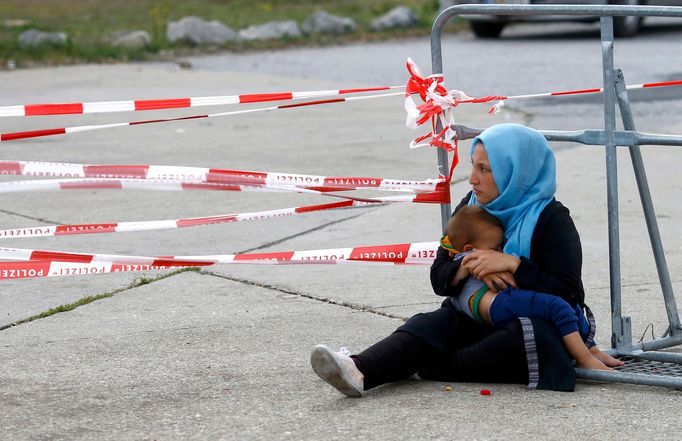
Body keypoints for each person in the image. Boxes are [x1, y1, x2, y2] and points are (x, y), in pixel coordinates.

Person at [311, 123, 623, 398]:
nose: (472, 178)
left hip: (533, 321)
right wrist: (467, 265)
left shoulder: (552, 219)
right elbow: (438, 277)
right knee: (431, 324)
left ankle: (427, 368)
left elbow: (569, 294)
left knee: (529, 338)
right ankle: (357, 370)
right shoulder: (472, 205)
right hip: (477, 314)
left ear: (517, 172)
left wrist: (512, 264)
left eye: (485, 169)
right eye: (473, 166)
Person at [443, 204, 618, 371]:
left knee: (567, 301)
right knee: (557, 307)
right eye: (495, 248)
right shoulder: (470, 259)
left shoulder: (474, 250)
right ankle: (584, 359)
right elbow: (442, 273)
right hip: (493, 304)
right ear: (469, 249)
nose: (500, 251)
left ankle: (592, 350)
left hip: (500, 297)